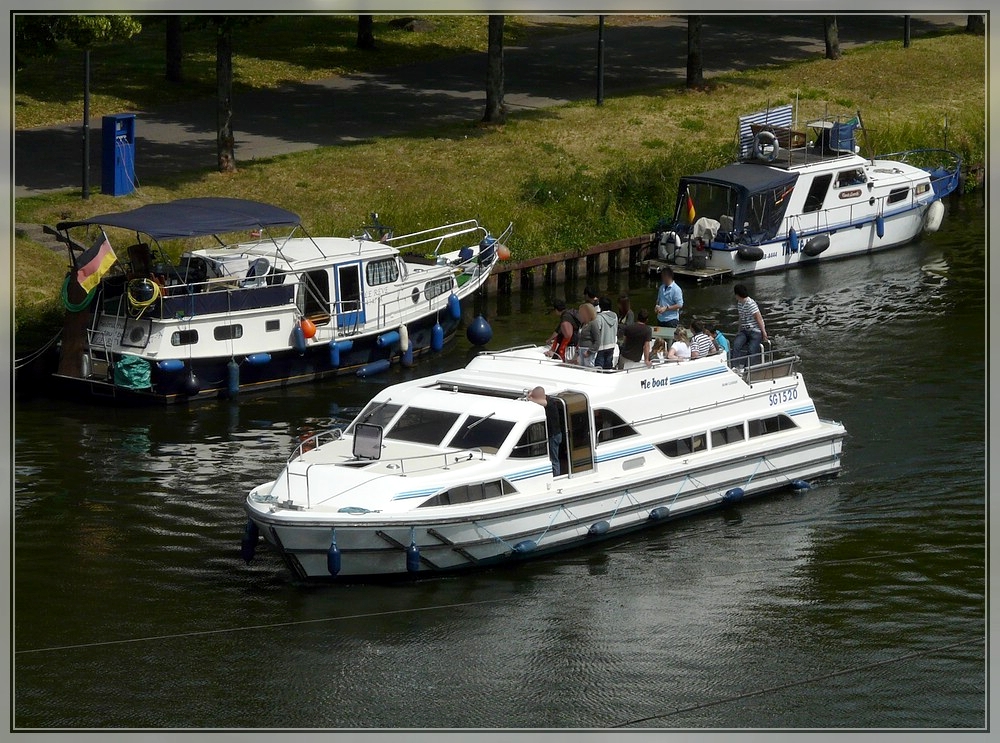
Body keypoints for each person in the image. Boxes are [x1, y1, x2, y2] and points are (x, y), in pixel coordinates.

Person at [731, 283, 768, 369]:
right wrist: (739, 330)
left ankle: (747, 369)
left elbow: (758, 318)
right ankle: (734, 367)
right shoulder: (740, 303)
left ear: (737, 294)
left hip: (754, 330)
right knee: (736, 345)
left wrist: (763, 332)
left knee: (752, 350)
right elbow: (741, 318)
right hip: (744, 330)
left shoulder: (751, 303)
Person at [529, 386, 562, 476]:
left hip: (554, 435)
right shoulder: (546, 398)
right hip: (553, 434)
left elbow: (542, 402)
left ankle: (556, 475)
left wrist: (531, 399)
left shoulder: (550, 403)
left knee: (554, 459)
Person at [595, 296, 618, 370]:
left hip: (601, 346)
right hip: (611, 344)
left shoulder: (599, 317)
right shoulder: (615, 316)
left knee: (599, 367)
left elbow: (596, 331)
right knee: (608, 367)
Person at [575, 302, 600, 367]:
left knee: (589, 368)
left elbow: (597, 340)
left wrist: (590, 351)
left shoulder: (593, 324)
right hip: (580, 350)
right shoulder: (582, 324)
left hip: (588, 350)